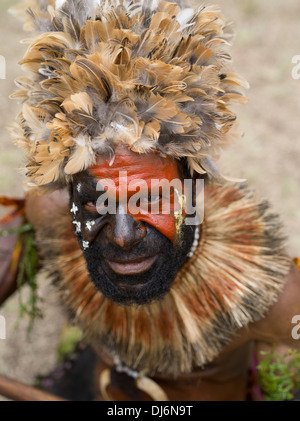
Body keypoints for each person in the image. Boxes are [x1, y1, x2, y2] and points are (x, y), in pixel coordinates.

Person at [0, 0, 300, 401]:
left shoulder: (275, 303)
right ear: (68, 194)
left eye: (152, 200)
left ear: (195, 186)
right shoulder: (50, 216)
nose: (122, 237)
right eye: (96, 203)